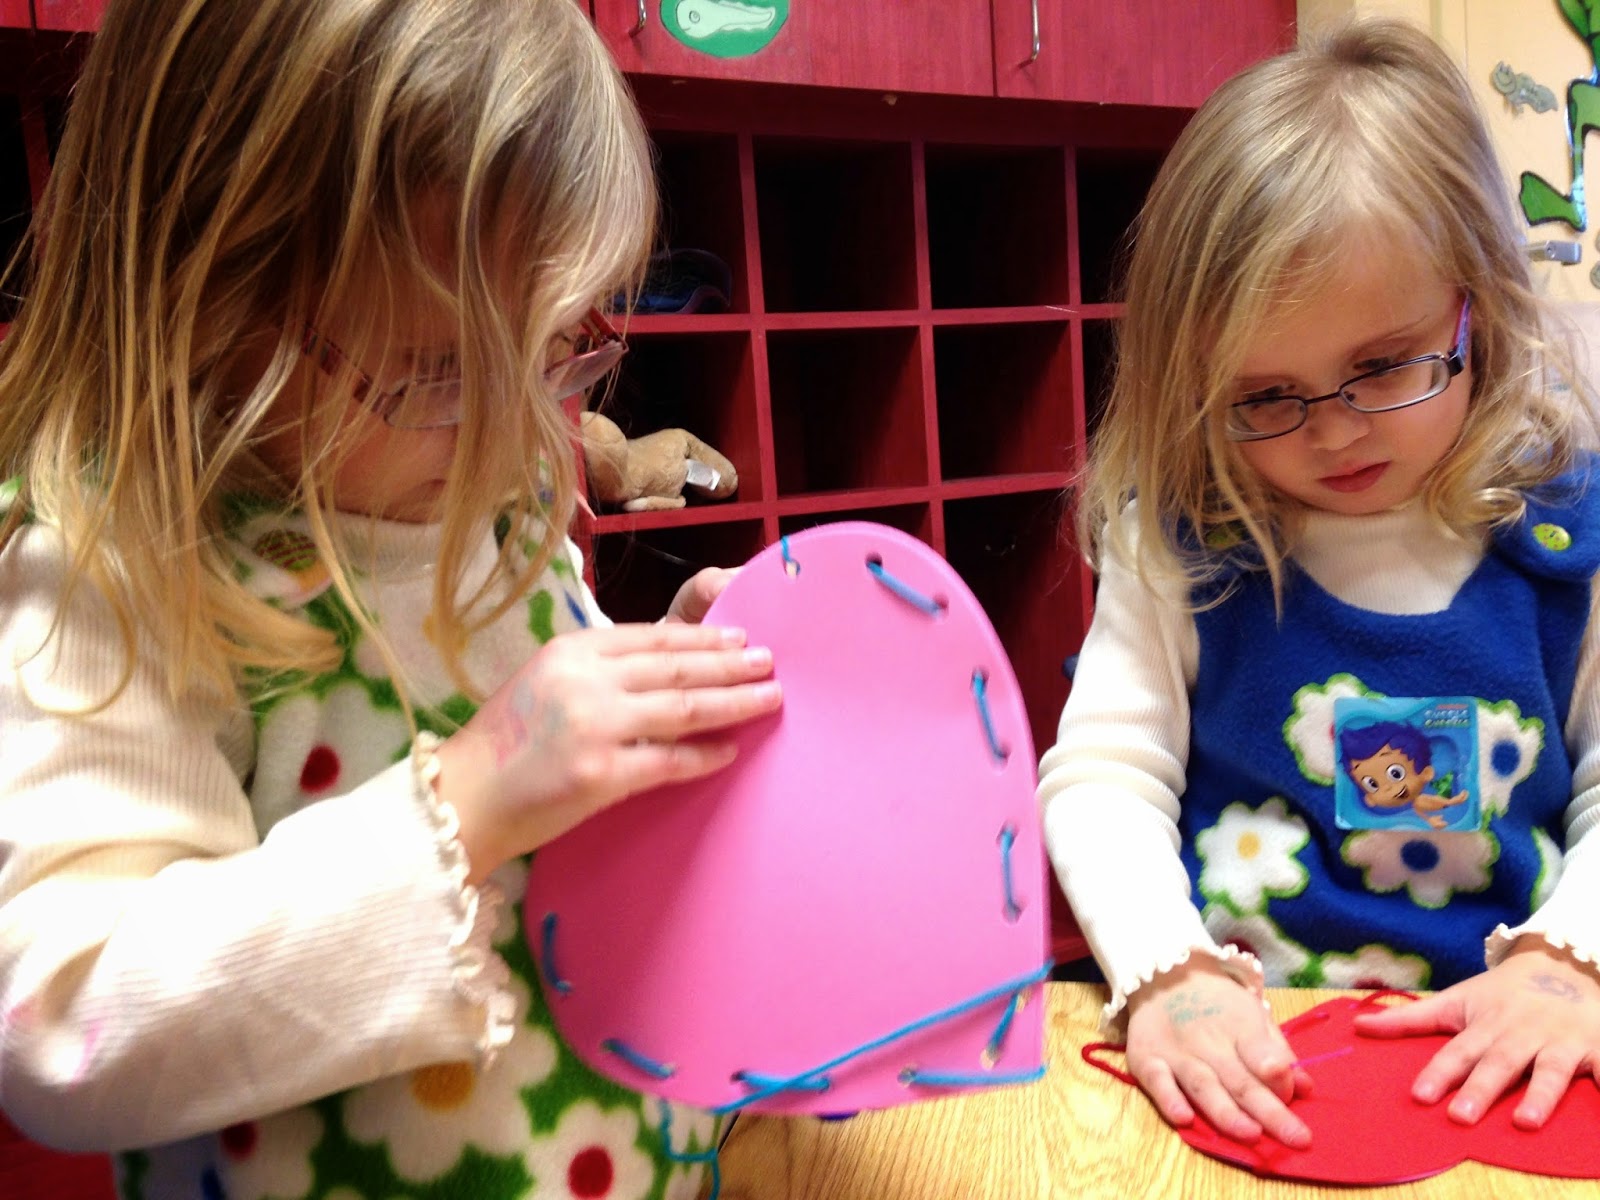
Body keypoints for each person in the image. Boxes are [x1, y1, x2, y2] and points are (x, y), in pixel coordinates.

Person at [0, 1, 782, 1197]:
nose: (525, 422)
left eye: (550, 348)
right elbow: (65, 1021)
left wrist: (657, 686)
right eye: (439, 368)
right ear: (212, 298)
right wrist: (463, 803)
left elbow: (514, 733)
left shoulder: (487, 484)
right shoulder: (120, 571)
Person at [1039, 16, 1600, 1154]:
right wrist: (1165, 971)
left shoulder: (1563, 542)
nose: (1332, 431)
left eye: (1381, 367)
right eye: (1262, 395)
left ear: (1475, 312)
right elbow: (1103, 778)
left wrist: (1566, 959)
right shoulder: (1180, 548)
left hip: (1511, 1055)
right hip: (1249, 1061)